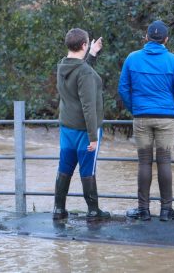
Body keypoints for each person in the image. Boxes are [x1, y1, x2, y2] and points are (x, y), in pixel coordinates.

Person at [118, 20, 174, 221]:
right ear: (166, 39)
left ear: (146, 38)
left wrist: (136, 108)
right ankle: (166, 210)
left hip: (141, 117)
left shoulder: (132, 59)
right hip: (166, 118)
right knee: (164, 161)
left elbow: (123, 89)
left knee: (144, 162)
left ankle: (143, 210)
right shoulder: (173, 61)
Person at [53, 28, 110, 221]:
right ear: (83, 45)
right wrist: (93, 136)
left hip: (67, 127)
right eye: (88, 45)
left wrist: (92, 54)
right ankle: (93, 212)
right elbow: (89, 106)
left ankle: (58, 210)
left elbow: (80, 74)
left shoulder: (62, 65)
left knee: (65, 167)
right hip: (85, 130)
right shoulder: (84, 72)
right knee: (87, 170)